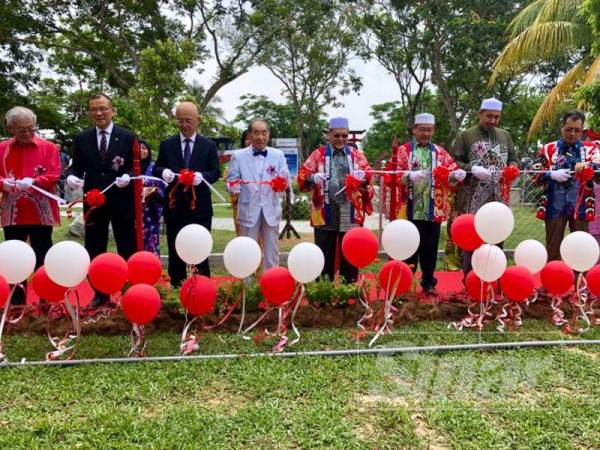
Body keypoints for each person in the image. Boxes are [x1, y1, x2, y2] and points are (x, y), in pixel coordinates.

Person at [67, 93, 137, 307]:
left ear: (112, 109)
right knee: (95, 246)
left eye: (103, 108)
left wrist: (129, 177)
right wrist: (71, 176)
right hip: (94, 201)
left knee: (127, 244)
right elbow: (76, 166)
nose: (99, 113)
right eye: (94, 109)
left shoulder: (127, 136)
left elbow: (136, 167)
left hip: (121, 200)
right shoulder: (82, 138)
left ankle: (131, 290)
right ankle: (100, 293)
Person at [298, 117, 373, 283]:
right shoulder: (317, 155)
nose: (341, 139)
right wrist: (312, 178)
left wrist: (364, 177)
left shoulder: (355, 155)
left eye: (344, 136)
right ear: (329, 135)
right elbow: (302, 179)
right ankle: (324, 289)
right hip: (325, 209)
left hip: (349, 209)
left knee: (350, 250)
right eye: (337, 136)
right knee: (325, 252)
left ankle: (350, 287)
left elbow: (368, 174)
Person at [153, 101, 220, 287]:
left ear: (198, 121)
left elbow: (215, 172)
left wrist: (203, 176)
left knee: (201, 248)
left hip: (200, 207)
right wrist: (163, 172)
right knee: (176, 249)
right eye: (180, 120)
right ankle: (177, 288)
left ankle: (203, 287)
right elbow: (157, 167)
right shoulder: (167, 144)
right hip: (175, 207)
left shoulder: (208, 145)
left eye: (188, 120)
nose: (184, 125)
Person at [397, 113, 465, 294]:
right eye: (422, 130)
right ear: (414, 130)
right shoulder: (404, 151)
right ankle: (405, 284)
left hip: (433, 208)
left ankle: (428, 283)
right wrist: (408, 176)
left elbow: (451, 172)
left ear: (433, 131)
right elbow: (394, 176)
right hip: (409, 209)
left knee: (430, 247)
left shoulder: (440, 152)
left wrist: (456, 175)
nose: (426, 134)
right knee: (408, 247)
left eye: (429, 130)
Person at [0, 106, 61, 305]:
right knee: (14, 257)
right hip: (13, 213)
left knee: (43, 254)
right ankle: (16, 302)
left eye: (31, 128)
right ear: (11, 128)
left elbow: (54, 174)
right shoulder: (2, 149)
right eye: (21, 129)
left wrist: (35, 181)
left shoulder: (48, 147)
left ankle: (47, 299)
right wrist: (3, 184)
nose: (27, 133)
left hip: (40, 212)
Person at [451, 97, 518, 277]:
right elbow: (454, 162)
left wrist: (511, 168)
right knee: (472, 236)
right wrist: (471, 168)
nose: (493, 121)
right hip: (472, 197)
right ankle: (470, 279)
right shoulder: (466, 136)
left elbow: (513, 158)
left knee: (497, 236)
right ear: (479, 114)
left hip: (498, 197)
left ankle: (494, 279)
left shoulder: (505, 136)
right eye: (489, 116)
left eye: (497, 117)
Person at [531, 110, 600, 261]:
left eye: (577, 130)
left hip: (581, 206)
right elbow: (533, 174)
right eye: (569, 129)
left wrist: (589, 168)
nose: (573, 134)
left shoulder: (591, 150)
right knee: (553, 247)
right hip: (554, 205)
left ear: (582, 131)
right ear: (561, 127)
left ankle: (579, 283)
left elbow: (599, 172)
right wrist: (551, 174)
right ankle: (551, 282)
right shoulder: (548, 149)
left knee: (581, 248)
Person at [226, 119, 289, 270]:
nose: (260, 137)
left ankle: (271, 283)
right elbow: (231, 181)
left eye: (264, 132)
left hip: (271, 209)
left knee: (271, 250)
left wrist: (281, 183)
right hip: (248, 208)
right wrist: (232, 187)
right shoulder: (238, 156)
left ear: (268, 135)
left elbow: (285, 178)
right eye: (256, 133)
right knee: (247, 250)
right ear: (249, 135)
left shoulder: (278, 155)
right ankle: (248, 287)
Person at [139, 140, 164, 257]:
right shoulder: (128, 168)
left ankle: (151, 268)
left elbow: (163, 187)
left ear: (148, 151)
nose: (141, 151)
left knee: (151, 241)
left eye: (144, 148)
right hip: (133, 212)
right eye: (138, 148)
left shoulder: (154, 168)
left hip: (150, 212)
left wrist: (154, 192)